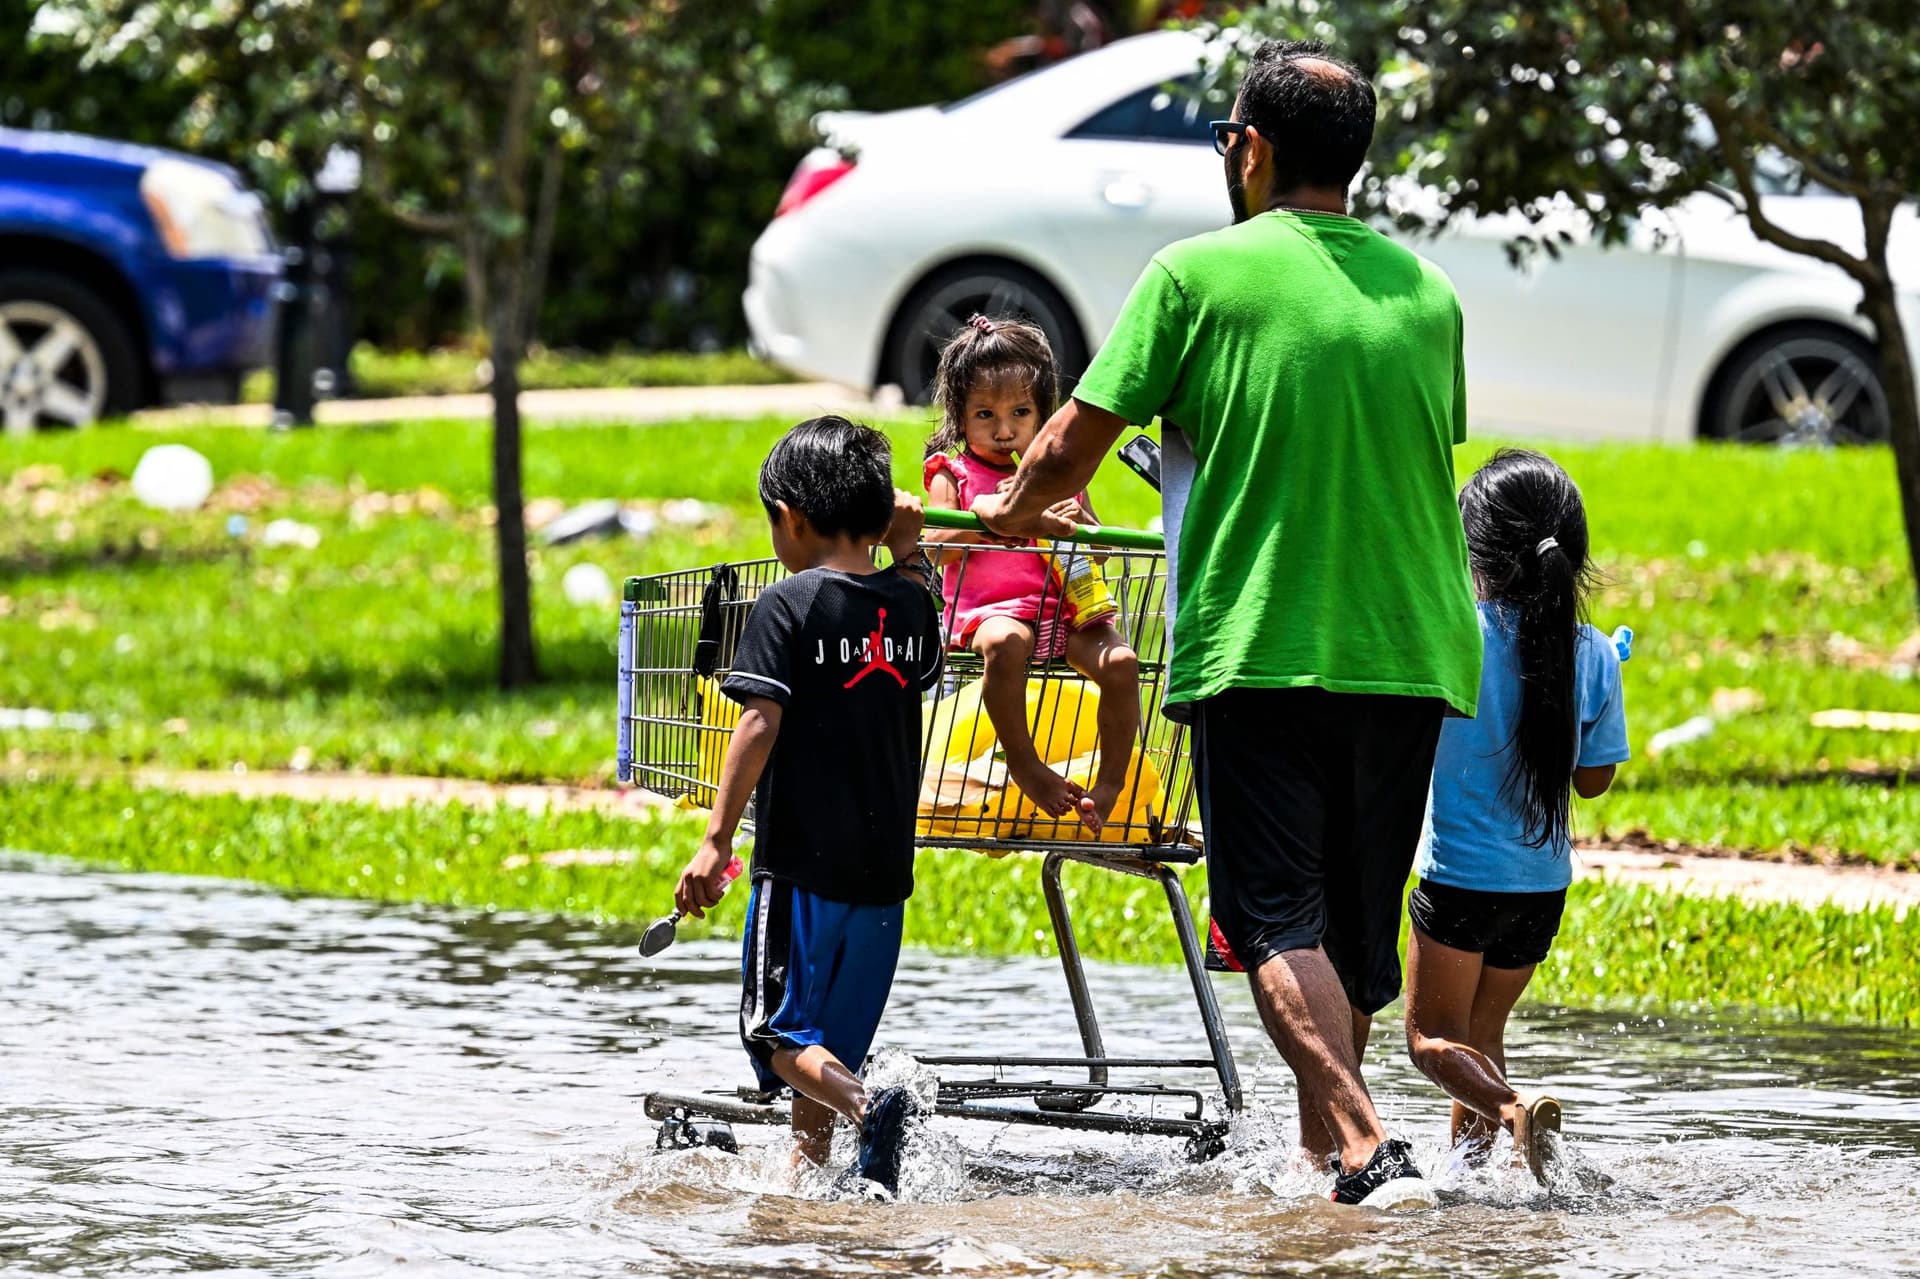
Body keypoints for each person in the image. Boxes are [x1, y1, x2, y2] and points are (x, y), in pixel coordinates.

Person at [968, 40, 1482, 1208]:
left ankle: (1364, 1144)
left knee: (1271, 917)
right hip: (1411, 650)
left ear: (1248, 148)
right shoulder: (1428, 293)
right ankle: (1323, 1164)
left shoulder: (1193, 275)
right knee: (1346, 935)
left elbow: (1068, 447)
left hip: (1263, 643)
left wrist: (1003, 511)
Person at [673, 414, 945, 1195]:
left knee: (777, 1034)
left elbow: (759, 721)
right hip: (883, 875)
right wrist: (909, 552)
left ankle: (869, 1105)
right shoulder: (909, 604)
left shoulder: (786, 605)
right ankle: (808, 1180)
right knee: (829, 1045)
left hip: (801, 867)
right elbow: (930, 664)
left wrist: (716, 838)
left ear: (791, 518)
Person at [1404, 450, 1629, 1182]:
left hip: (1460, 882)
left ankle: (1512, 1109)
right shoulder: (1594, 653)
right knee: (1480, 1036)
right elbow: (1593, 781)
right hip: (1540, 889)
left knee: (1429, 1040)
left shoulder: (1454, 634)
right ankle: (1468, 1189)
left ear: (1476, 554)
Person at [920, 315, 1141, 830]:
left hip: (1065, 609)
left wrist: (1079, 522)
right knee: (1006, 644)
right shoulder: (954, 473)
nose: (1004, 431)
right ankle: (1026, 765)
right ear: (959, 418)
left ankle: (1109, 783)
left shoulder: (1057, 474)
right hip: (991, 611)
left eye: (1020, 413)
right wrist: (995, 519)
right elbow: (935, 550)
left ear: (1044, 413)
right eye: (985, 415)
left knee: (1123, 663)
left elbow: (1100, 551)